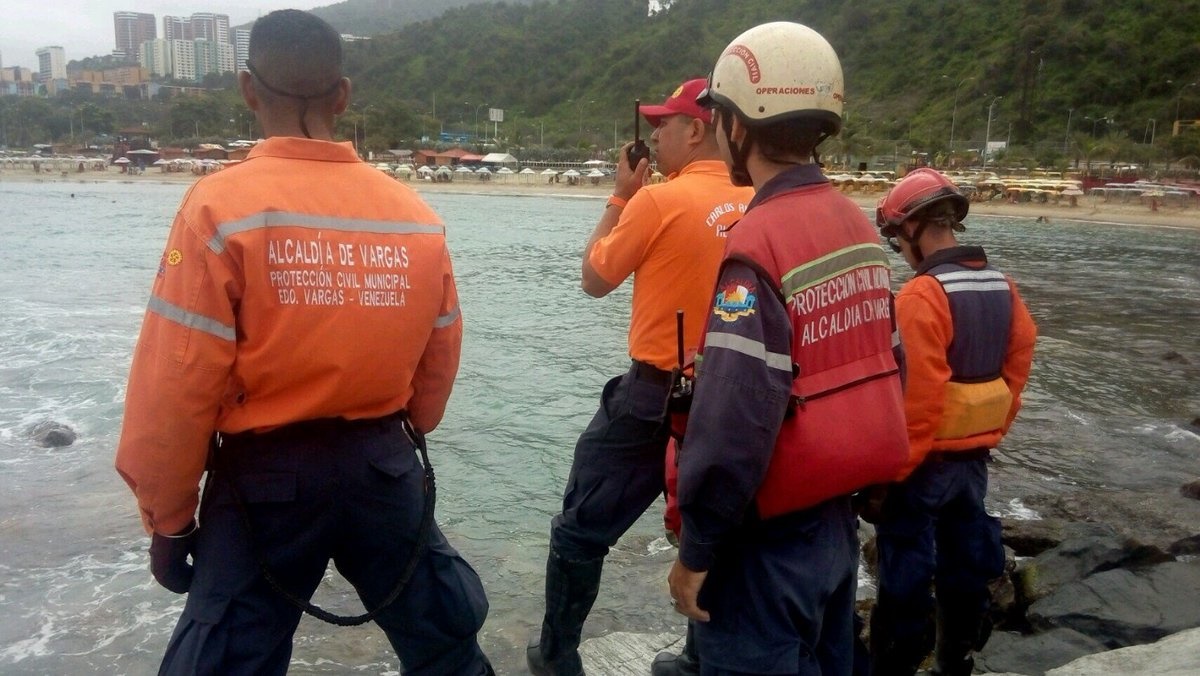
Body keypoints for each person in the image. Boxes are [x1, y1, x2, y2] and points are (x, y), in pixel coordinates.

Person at [114, 10, 493, 675]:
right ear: (343, 96)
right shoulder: (416, 217)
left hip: (266, 481)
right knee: (446, 642)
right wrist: (392, 439)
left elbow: (175, 386)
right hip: (383, 465)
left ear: (247, 91)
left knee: (223, 661)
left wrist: (170, 520)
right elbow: (437, 365)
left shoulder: (217, 210)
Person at [667, 22, 911, 675]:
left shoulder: (757, 246)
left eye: (719, 118)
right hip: (833, 531)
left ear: (738, 126)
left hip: (764, 550)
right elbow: (893, 364)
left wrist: (696, 550)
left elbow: (731, 422)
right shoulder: (856, 227)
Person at [526, 78, 756, 676]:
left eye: (663, 124)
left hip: (656, 395)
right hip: (737, 397)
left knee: (582, 528)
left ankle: (557, 656)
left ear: (697, 129)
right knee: (715, 526)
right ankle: (698, 658)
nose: (653, 135)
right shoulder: (758, 197)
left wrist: (621, 197)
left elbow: (595, 278)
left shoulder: (659, 201)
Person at [869, 168, 1037, 676]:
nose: (900, 251)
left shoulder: (922, 296)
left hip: (924, 468)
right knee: (965, 566)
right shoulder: (1003, 286)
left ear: (914, 229)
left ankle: (894, 665)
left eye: (897, 240)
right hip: (973, 462)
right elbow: (1018, 366)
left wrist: (892, 475)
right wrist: (992, 431)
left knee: (905, 574)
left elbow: (917, 400)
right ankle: (955, 659)